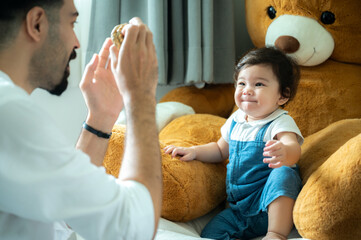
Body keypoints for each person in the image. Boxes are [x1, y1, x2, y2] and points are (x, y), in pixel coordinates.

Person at [0, 0, 162, 239]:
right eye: (72, 22)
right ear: (37, 24)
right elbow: (133, 228)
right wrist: (141, 97)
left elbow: (62, 215)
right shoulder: (9, 112)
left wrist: (101, 118)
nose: (77, 42)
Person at [164, 47, 303, 240]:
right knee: (211, 234)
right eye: (242, 83)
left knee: (284, 173)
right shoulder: (236, 120)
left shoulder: (279, 122)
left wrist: (285, 152)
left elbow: (294, 147)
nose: (247, 90)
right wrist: (193, 152)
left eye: (259, 84)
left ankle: (276, 234)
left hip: (269, 205)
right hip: (238, 208)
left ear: (282, 95)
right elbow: (220, 150)